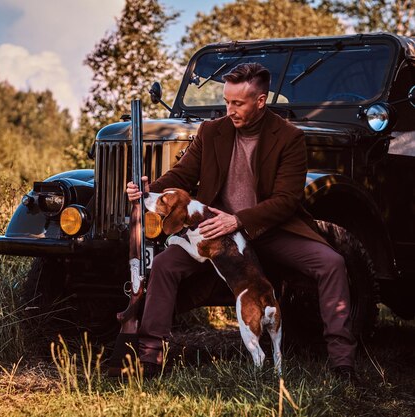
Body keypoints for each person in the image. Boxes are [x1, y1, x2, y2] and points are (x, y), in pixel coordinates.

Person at [126, 62, 357, 381]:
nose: (229, 109)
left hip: (271, 229)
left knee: (331, 263)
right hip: (214, 232)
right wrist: (149, 189)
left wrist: (237, 220)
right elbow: (183, 175)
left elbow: (287, 200)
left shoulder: (289, 137)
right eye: (226, 101)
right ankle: (149, 359)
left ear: (260, 101)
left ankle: (342, 364)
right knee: (166, 266)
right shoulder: (210, 131)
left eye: (238, 103)